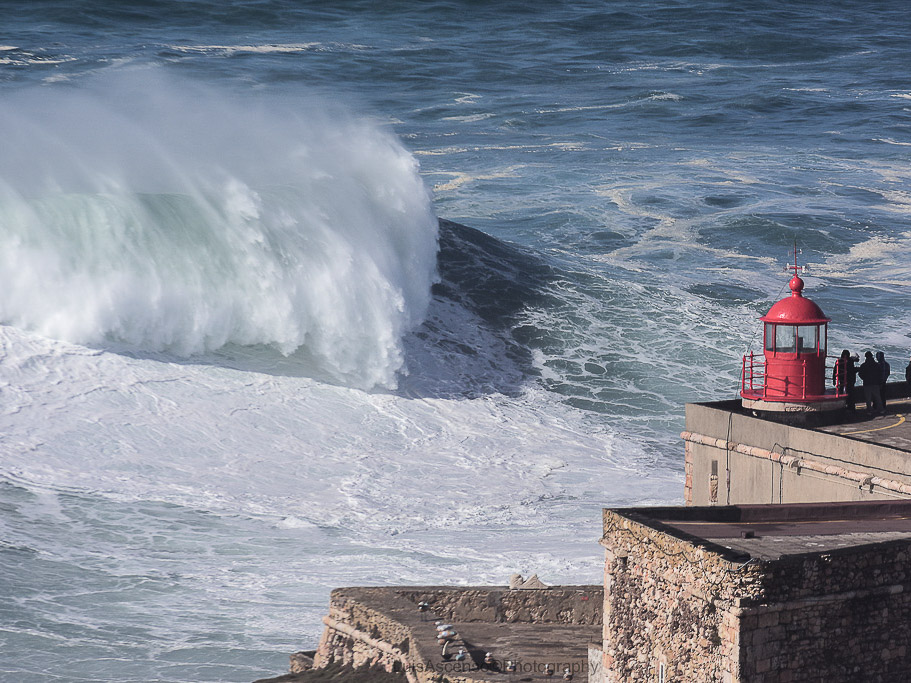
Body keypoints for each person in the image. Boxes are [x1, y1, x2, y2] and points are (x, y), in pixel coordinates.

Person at [858, 351, 884, 415]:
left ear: (866, 357)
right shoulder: (876, 365)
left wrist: (864, 378)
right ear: (872, 356)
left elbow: (860, 374)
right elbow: (880, 374)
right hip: (875, 383)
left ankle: (869, 411)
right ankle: (881, 410)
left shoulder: (863, 365)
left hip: (867, 383)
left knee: (868, 398)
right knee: (878, 397)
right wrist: (879, 382)